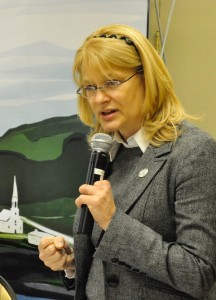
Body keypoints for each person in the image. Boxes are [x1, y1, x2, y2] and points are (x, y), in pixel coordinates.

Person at [38, 24, 216, 300]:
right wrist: (72, 263)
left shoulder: (193, 151)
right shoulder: (108, 152)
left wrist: (113, 222)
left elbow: (200, 274)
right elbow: (114, 267)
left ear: (148, 79)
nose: (99, 98)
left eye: (112, 82)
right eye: (89, 87)